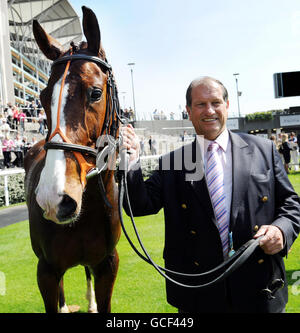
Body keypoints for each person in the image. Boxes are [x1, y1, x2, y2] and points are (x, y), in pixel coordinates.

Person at [120, 76, 300, 313]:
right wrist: (131, 161)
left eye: (216, 102)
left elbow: (291, 204)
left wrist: (281, 231)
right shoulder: (172, 162)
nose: (210, 111)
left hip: (260, 289)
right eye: (201, 104)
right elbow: (140, 206)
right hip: (199, 295)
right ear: (188, 111)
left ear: (227, 105)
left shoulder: (263, 150)